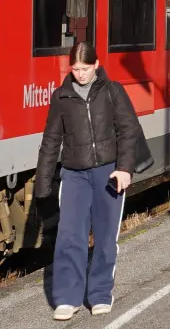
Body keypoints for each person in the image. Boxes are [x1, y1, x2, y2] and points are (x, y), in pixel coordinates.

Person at [34, 42, 145, 321]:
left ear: (96, 65)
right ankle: (67, 298)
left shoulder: (112, 91)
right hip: (74, 175)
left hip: (108, 173)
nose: (80, 74)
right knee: (70, 236)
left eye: (85, 68)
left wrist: (124, 169)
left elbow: (128, 130)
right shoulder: (61, 97)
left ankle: (99, 294)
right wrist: (42, 187)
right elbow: (50, 141)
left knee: (106, 237)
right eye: (75, 69)